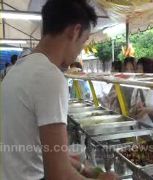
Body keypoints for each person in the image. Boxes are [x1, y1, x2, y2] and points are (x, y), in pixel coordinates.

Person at [2, 0, 118, 180]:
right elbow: (59, 175)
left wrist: (84, 168)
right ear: (75, 31)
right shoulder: (49, 76)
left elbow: (45, 149)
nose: (79, 52)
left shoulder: (17, 69)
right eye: (83, 42)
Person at [130, 57, 153, 131]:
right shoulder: (137, 88)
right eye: (137, 68)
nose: (138, 72)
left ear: (149, 70)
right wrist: (135, 109)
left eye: (140, 68)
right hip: (138, 129)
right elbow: (131, 112)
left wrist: (147, 110)